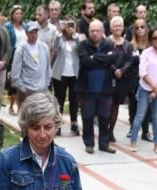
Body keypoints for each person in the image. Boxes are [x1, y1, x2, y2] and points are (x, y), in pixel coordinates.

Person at [76, 19, 116, 154]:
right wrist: (103, 59)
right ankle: (89, 144)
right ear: (88, 32)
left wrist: (95, 57)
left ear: (103, 32)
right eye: (92, 31)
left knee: (105, 117)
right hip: (87, 89)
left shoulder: (110, 44)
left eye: (97, 30)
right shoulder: (82, 45)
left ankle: (104, 144)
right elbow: (85, 61)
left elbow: (112, 59)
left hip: (105, 89)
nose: (94, 33)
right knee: (87, 117)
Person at [129, 28, 157, 154]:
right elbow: (143, 73)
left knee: (156, 117)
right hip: (145, 88)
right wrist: (153, 87)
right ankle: (133, 140)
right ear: (150, 40)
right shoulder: (146, 53)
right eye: (154, 38)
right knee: (140, 116)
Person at [50, 15, 80, 136]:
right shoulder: (59, 38)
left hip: (74, 73)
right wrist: (59, 31)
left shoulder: (77, 38)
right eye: (68, 25)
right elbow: (54, 47)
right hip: (60, 73)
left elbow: (81, 49)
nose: (69, 27)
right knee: (59, 99)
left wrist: (75, 35)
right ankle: (57, 124)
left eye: (72, 25)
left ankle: (74, 123)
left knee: (74, 99)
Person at [11, 21, 50, 107]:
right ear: (26, 33)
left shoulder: (44, 47)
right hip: (27, 91)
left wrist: (46, 85)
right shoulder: (20, 50)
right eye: (31, 33)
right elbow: (15, 74)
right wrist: (23, 89)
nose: (33, 35)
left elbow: (48, 69)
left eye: (35, 32)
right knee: (26, 118)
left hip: (41, 91)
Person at [107, 16, 134, 142]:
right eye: (115, 25)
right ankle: (104, 130)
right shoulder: (106, 42)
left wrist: (122, 71)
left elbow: (130, 61)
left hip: (121, 80)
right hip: (107, 78)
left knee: (115, 107)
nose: (117, 28)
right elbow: (103, 59)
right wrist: (114, 70)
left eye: (119, 25)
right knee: (106, 106)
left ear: (123, 27)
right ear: (111, 27)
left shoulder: (128, 44)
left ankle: (110, 131)